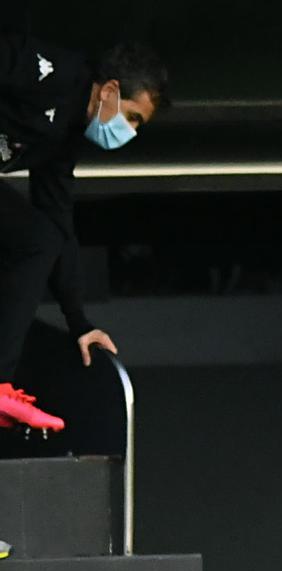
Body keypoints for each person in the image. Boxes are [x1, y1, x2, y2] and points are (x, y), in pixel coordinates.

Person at [0, 35, 168, 432]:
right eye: (132, 117)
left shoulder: (63, 140)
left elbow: (58, 224)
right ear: (110, 89)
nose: (130, 131)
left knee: (39, 238)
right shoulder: (51, 73)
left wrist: (78, 320)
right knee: (34, 239)